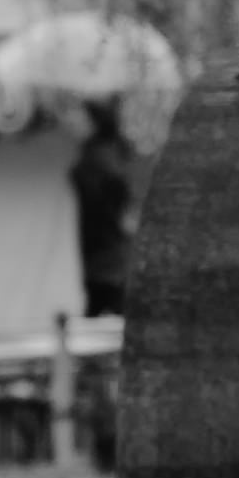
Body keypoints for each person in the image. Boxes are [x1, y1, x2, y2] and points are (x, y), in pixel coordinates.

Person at [70, 100, 136, 319]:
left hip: (106, 256)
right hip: (106, 254)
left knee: (104, 305)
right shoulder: (107, 154)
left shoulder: (99, 158)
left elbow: (120, 205)